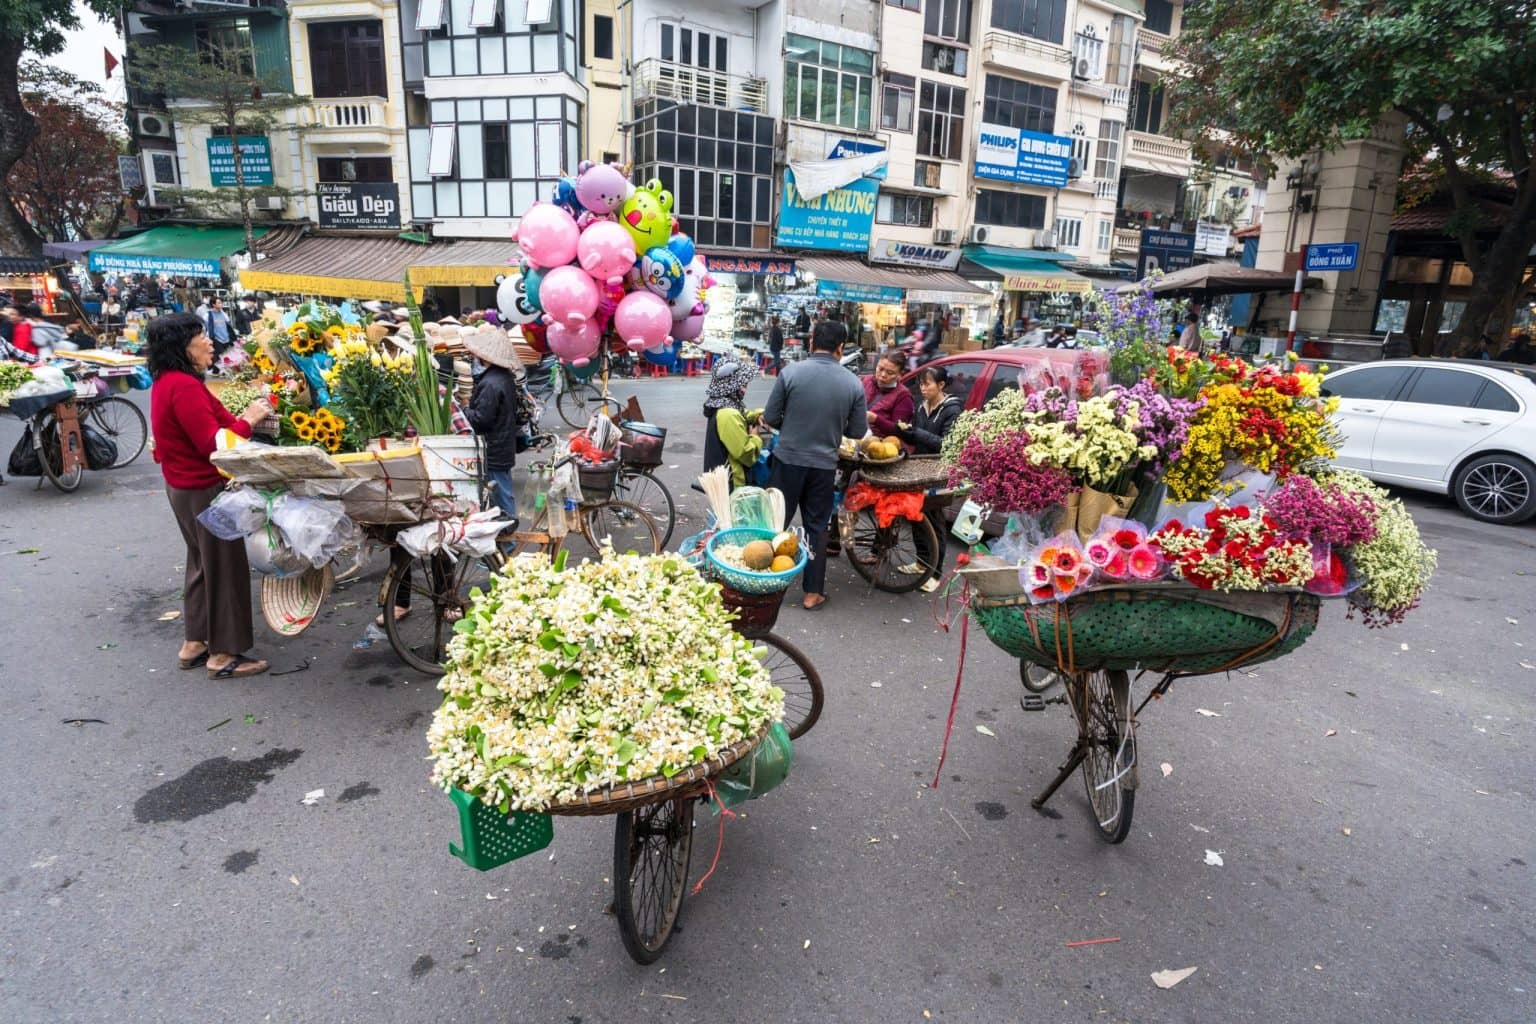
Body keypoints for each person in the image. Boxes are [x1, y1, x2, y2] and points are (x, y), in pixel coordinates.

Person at [147, 312, 272, 678]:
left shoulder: (171, 382)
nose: (210, 341)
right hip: (201, 487)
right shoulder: (183, 387)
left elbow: (206, 427)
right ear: (182, 346)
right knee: (224, 567)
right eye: (202, 335)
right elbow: (212, 444)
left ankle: (195, 642)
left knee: (202, 564)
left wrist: (239, 421)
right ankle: (224, 654)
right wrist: (249, 418)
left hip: (182, 487)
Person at [763, 320, 867, 610]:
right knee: (816, 527)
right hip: (823, 466)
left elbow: (770, 418)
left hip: (787, 460)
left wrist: (793, 422)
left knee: (776, 522)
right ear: (840, 347)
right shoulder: (852, 383)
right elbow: (857, 432)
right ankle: (812, 593)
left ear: (812, 343)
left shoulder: (790, 373)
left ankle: (766, 581)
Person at [462, 328, 524, 526]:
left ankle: (510, 542)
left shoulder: (490, 383)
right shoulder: (504, 378)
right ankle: (506, 540)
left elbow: (482, 419)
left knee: (501, 496)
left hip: (494, 449)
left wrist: (464, 410)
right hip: (503, 446)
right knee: (501, 493)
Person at [702, 359, 764, 489]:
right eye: (743, 385)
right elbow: (745, 454)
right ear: (731, 385)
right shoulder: (728, 414)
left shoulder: (720, 402)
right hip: (731, 483)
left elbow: (744, 414)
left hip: (720, 478)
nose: (745, 390)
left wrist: (759, 415)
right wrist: (755, 438)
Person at [897, 365, 962, 455]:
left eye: (927, 384)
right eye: (921, 384)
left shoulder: (952, 410)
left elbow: (947, 445)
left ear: (941, 385)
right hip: (920, 460)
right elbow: (915, 440)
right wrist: (904, 432)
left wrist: (917, 432)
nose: (923, 389)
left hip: (938, 463)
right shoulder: (920, 407)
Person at [863, 350, 914, 437]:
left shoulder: (903, 396)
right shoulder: (865, 380)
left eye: (890, 373)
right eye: (880, 369)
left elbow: (900, 430)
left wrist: (876, 419)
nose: (883, 375)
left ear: (899, 374)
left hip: (880, 444)